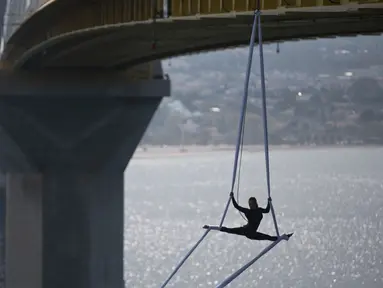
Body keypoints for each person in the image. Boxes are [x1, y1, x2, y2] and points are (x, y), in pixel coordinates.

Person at [203, 192, 293, 241]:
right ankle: (210, 227)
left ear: (256, 203)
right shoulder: (248, 212)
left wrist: (269, 202)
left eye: (252, 203)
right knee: (228, 230)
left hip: (253, 234)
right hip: (245, 231)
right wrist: (232, 197)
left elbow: (267, 210)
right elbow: (237, 206)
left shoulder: (260, 210)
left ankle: (285, 237)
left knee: (270, 238)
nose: (251, 205)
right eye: (249, 204)